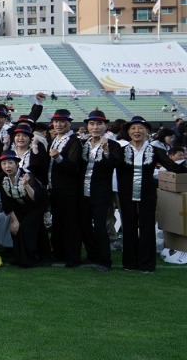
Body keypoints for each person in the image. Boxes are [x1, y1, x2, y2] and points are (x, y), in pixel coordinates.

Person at [112, 116, 186, 272]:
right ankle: (130, 263)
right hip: (126, 194)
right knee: (128, 227)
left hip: (148, 194)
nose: (136, 131)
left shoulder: (155, 150)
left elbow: (172, 166)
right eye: (133, 128)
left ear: (146, 131)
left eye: (140, 128)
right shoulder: (121, 150)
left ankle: (147, 264)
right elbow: (111, 164)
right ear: (128, 132)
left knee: (147, 228)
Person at [78, 110, 115, 271]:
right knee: (85, 225)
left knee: (100, 226)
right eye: (92, 124)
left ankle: (105, 260)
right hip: (84, 191)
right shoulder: (84, 143)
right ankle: (92, 255)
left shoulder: (112, 144)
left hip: (101, 191)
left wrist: (106, 150)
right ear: (87, 126)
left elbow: (114, 164)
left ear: (105, 126)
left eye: (99, 124)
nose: (95, 127)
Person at [0, 151, 47, 268]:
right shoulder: (1, 178)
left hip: (36, 206)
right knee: (15, 229)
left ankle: (30, 259)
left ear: (17, 164)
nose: (7, 166)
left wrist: (26, 184)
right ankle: (20, 258)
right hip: (20, 207)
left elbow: (36, 198)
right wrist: (14, 220)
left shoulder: (27, 175)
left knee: (26, 229)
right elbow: (6, 201)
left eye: (10, 163)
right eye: (4, 163)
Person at [47, 109, 83, 267]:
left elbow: (73, 167)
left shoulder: (74, 141)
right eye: (56, 121)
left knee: (70, 224)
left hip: (68, 189)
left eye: (62, 121)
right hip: (55, 188)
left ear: (69, 123)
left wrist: (58, 157)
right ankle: (60, 252)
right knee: (58, 223)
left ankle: (72, 257)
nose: (59, 124)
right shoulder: (55, 139)